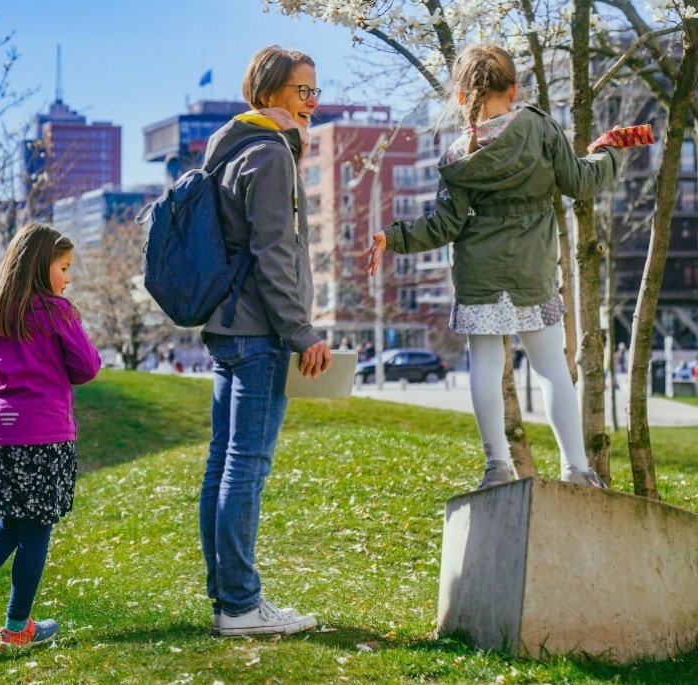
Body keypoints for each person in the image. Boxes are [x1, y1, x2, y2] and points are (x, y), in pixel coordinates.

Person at [361, 43, 651, 490]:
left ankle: (496, 465)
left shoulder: (457, 156)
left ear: (461, 97)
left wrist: (394, 236)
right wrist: (610, 150)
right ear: (514, 89)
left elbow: (444, 224)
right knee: (551, 365)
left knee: (485, 363)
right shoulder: (538, 127)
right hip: (531, 271)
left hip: (479, 273)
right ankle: (575, 467)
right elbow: (580, 181)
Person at [198, 44, 332, 637]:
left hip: (228, 327)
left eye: (315, 92)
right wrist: (301, 331)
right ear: (269, 92)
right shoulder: (271, 156)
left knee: (221, 467)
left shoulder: (229, 147)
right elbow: (273, 251)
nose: (311, 103)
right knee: (245, 469)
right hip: (259, 332)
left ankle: (228, 599)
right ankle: (241, 606)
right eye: (302, 91)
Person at [0, 222, 101, 655]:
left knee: (13, 520)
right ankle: (17, 627)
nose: (68, 278)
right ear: (39, 266)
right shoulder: (57, 312)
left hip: (0, 437)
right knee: (36, 528)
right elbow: (87, 367)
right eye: (64, 267)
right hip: (45, 434)